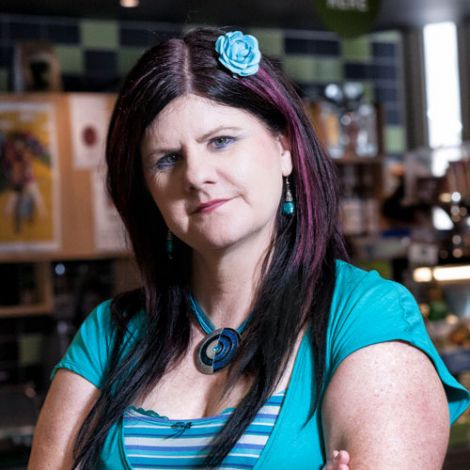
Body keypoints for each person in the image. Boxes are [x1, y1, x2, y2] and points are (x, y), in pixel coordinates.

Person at [28, 27, 470, 470]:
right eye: (167, 159)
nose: (196, 174)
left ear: (284, 148)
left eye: (221, 141)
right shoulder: (110, 332)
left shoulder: (364, 316)